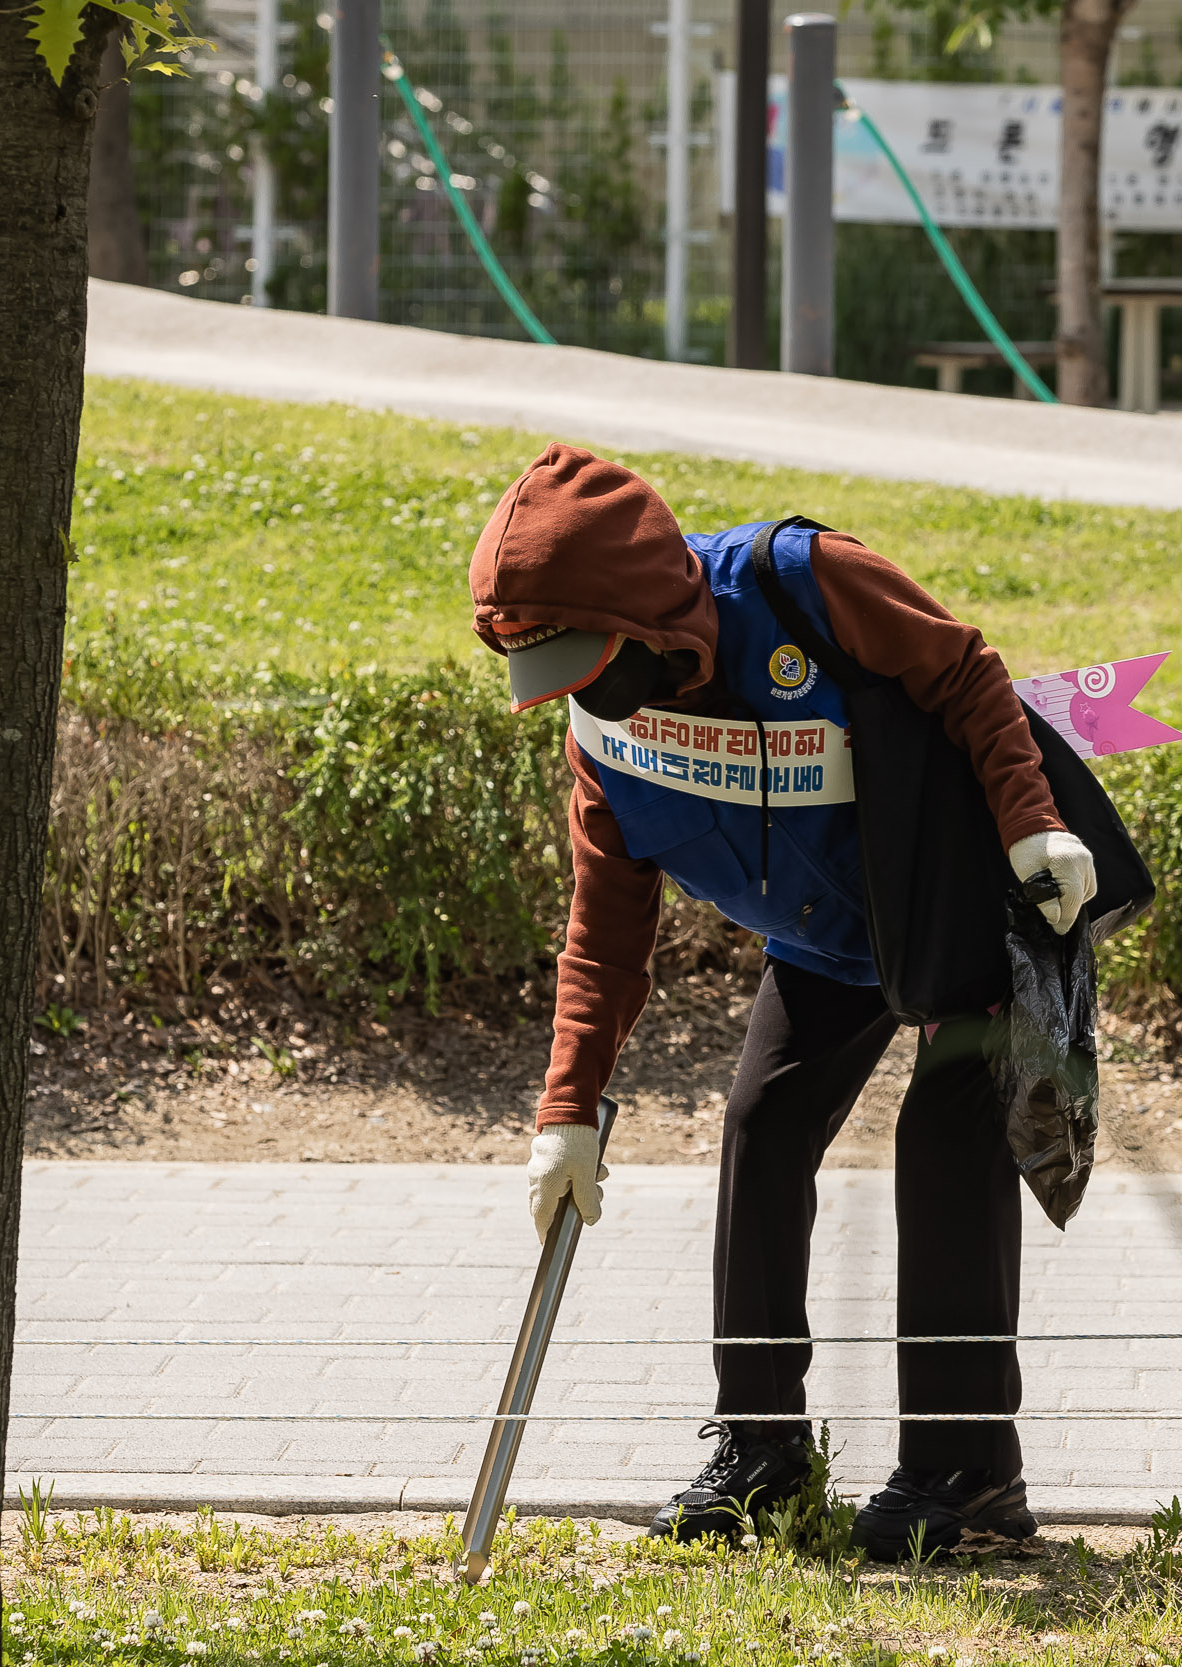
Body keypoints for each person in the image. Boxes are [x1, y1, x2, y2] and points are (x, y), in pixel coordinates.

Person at [469, 444, 1096, 1558]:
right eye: (546, 669)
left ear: (655, 615)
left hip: (956, 893)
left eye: (582, 656)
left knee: (939, 1143)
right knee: (763, 1127)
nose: (571, 690)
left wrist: (1029, 822)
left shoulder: (808, 582)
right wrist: (567, 1109)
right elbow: (605, 927)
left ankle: (964, 1475)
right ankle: (760, 1452)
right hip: (829, 935)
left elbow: (963, 671)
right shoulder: (602, 731)